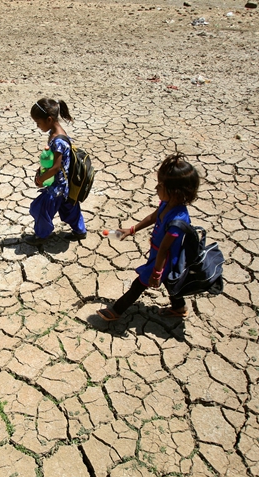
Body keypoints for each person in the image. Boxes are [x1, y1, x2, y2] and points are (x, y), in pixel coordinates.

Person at [97, 153, 200, 321]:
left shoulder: (177, 221)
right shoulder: (166, 204)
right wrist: (132, 229)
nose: (156, 188)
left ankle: (116, 311)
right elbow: (153, 217)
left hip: (164, 259)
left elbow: (165, 249)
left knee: (140, 283)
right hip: (158, 254)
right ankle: (179, 307)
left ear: (174, 191)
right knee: (168, 282)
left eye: (160, 185)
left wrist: (157, 272)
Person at [24, 98, 87, 245]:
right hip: (65, 185)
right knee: (69, 209)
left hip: (57, 187)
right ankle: (80, 231)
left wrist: (40, 179)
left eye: (38, 123)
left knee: (40, 208)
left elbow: (55, 167)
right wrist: (40, 171)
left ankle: (41, 235)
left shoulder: (58, 141)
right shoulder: (56, 132)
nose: (37, 126)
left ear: (49, 119)